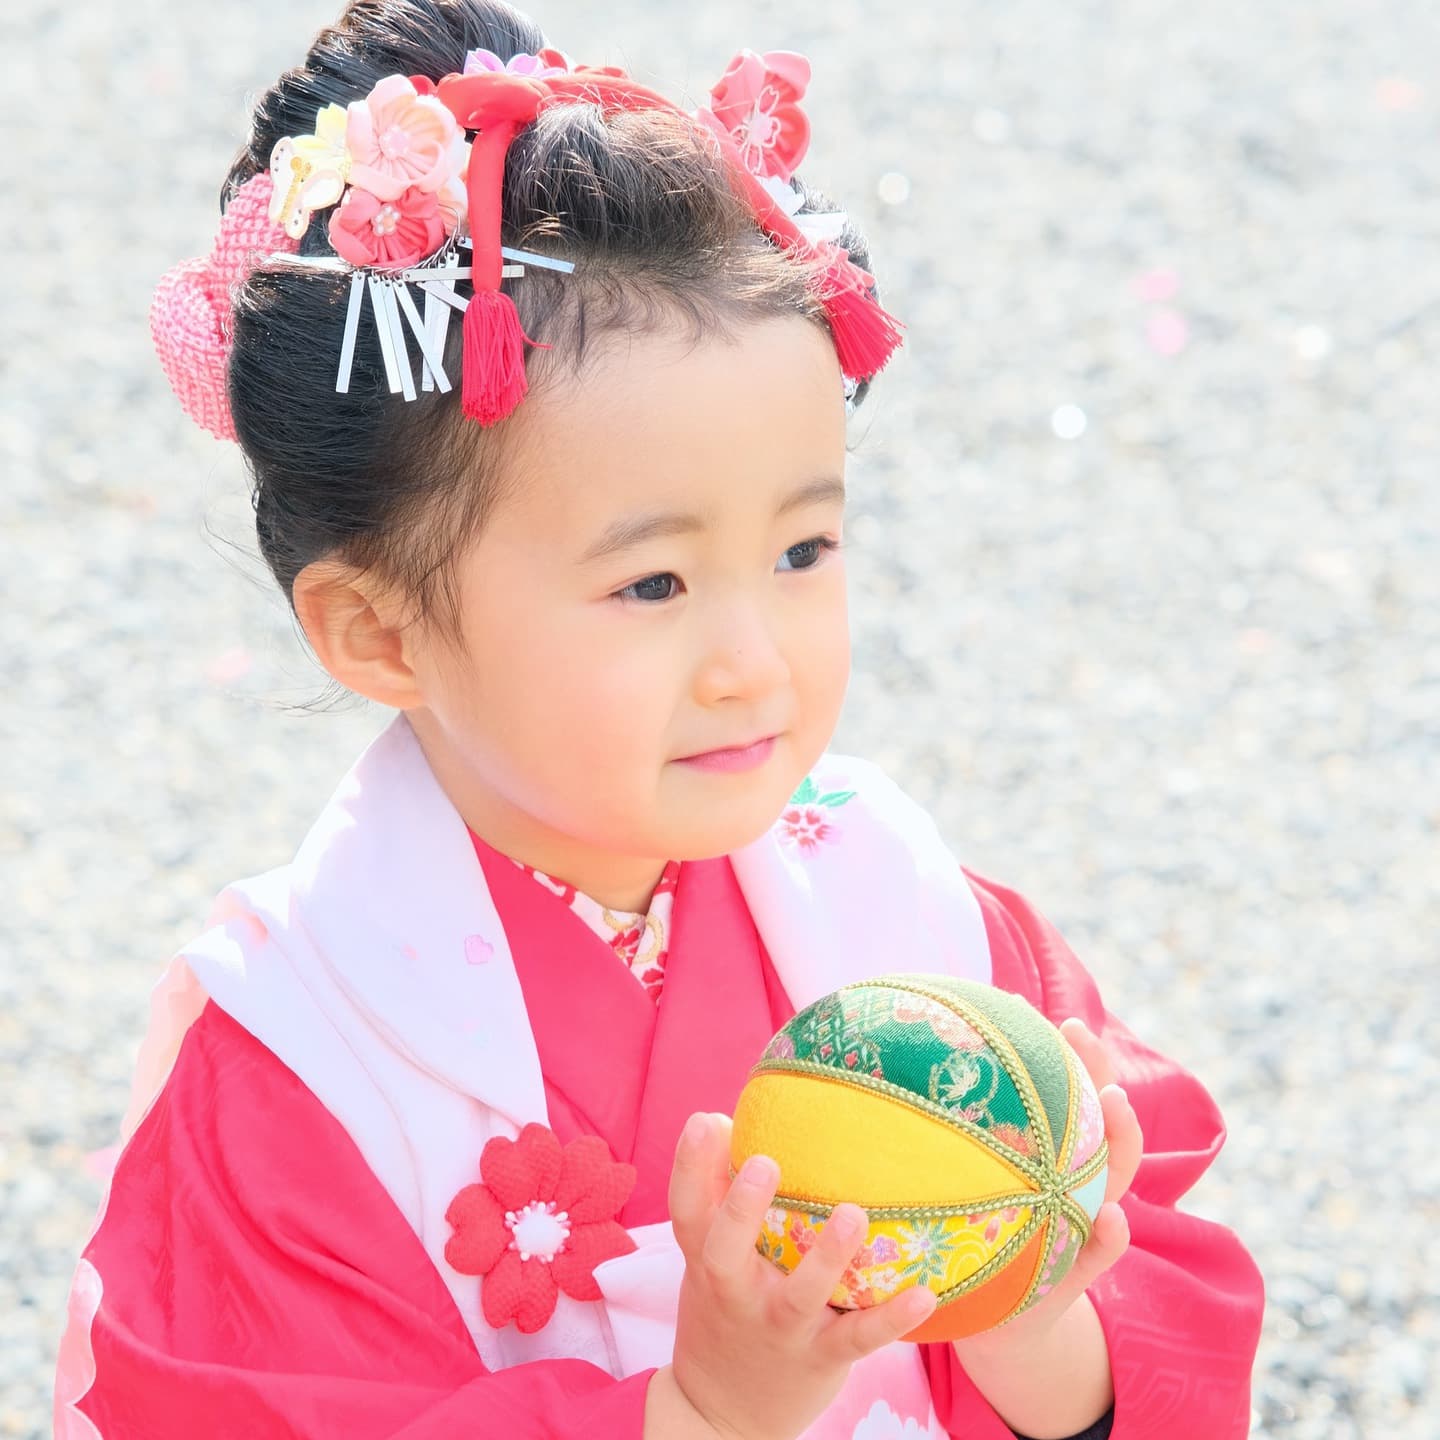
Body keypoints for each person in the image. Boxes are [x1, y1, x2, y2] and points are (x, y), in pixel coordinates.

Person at [54, 2, 1264, 1436]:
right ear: (376, 630)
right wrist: (704, 1406)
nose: (753, 660)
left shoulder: (912, 912)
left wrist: (1028, 1322)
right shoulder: (303, 1048)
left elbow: (1148, 1328)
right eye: (655, 582)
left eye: (804, 552)